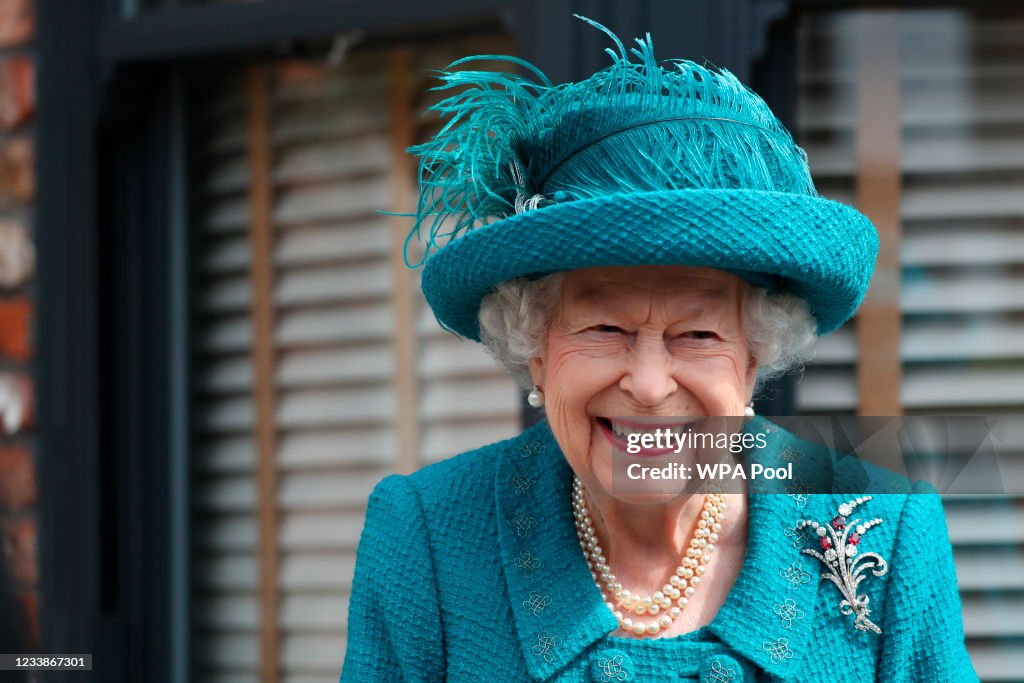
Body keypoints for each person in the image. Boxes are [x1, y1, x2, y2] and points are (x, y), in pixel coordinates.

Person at [340, 18, 978, 682]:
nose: (648, 384)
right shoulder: (428, 536)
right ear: (534, 346)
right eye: (605, 329)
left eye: (697, 335)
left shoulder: (887, 533)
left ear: (755, 355)